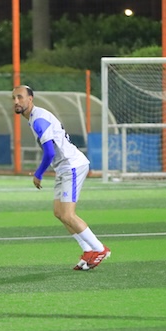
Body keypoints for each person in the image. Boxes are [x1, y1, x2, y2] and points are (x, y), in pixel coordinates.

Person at [12, 85, 110, 270]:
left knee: (68, 214)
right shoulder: (34, 117)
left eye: (20, 97)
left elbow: (49, 152)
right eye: (14, 98)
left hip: (72, 165)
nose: (16, 101)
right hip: (64, 167)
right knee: (59, 213)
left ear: (30, 99)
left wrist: (38, 174)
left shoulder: (38, 119)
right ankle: (87, 249)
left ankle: (100, 249)